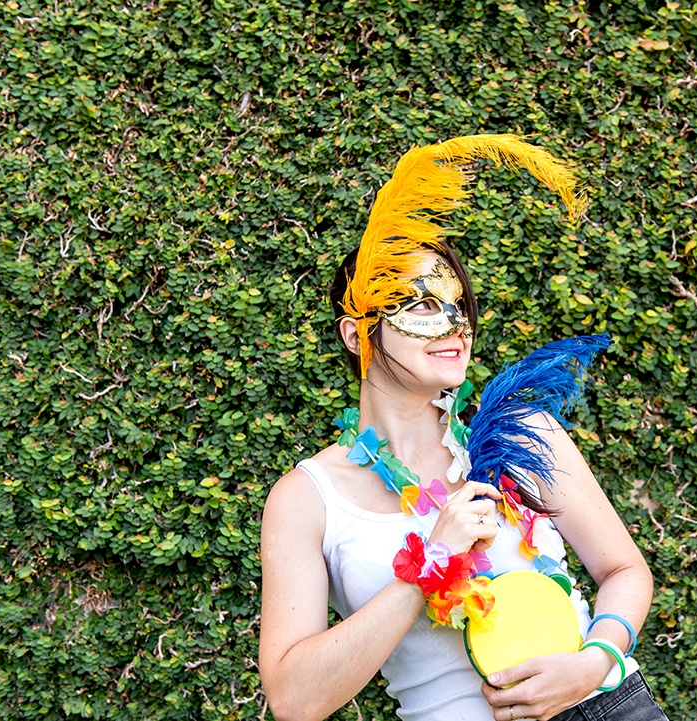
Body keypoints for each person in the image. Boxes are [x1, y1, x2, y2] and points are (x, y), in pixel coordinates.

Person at [259, 135, 668, 721]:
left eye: (458, 305)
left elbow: (624, 570)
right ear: (357, 335)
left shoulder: (522, 435)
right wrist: (431, 564)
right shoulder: (307, 499)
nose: (453, 324)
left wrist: (595, 660)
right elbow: (296, 700)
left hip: (606, 708)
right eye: (421, 305)